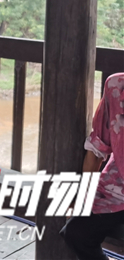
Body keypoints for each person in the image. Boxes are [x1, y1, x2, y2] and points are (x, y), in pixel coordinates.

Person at [61, 72, 124, 260]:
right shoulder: (116, 86)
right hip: (117, 188)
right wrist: (83, 194)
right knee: (76, 233)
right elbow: (98, 146)